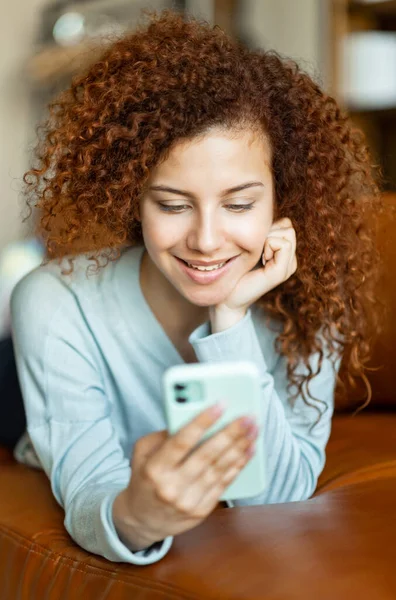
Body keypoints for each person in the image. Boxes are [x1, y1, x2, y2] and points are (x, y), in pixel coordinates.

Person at [9, 9, 384, 566]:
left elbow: (280, 492)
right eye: (172, 204)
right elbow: (91, 490)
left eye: (239, 204)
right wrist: (138, 514)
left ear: (283, 199)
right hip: (36, 370)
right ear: (132, 198)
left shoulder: (312, 301)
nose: (207, 240)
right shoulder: (53, 302)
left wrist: (229, 320)